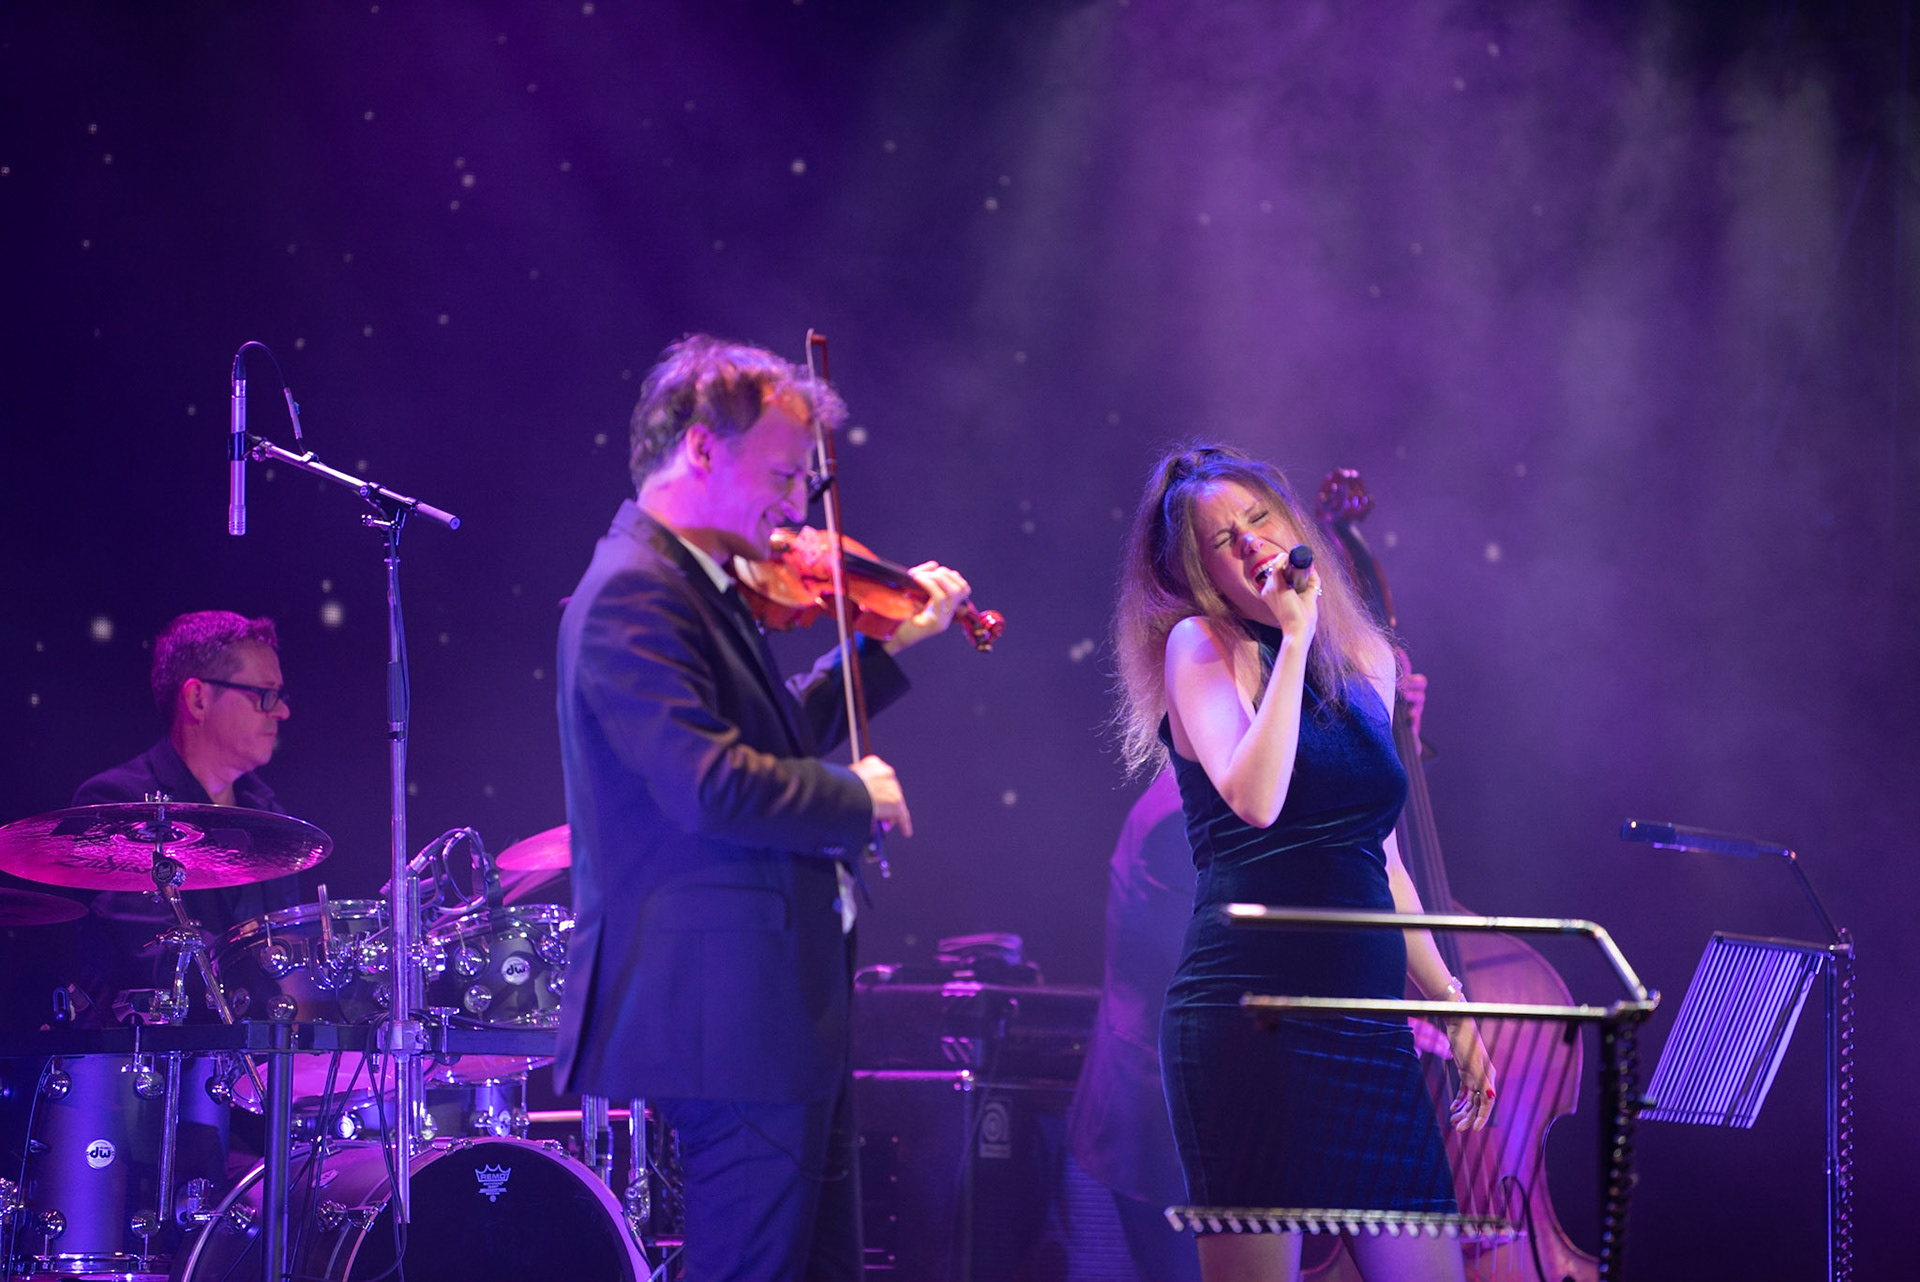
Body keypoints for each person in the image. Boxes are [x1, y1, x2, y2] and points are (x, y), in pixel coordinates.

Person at [554, 334, 971, 1281]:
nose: (796, 507)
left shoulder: (695, 583)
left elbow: (770, 732)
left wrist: (884, 646)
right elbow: (706, 782)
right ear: (702, 448)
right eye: (784, 475)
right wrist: (852, 795)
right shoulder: (632, 593)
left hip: (771, 1013)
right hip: (727, 1016)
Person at [1111, 443, 1494, 1282]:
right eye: (1223, 541)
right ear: (1200, 572)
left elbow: (1382, 861)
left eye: (1259, 519)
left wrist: (1450, 1003)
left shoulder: (1369, 663)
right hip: (1251, 1020)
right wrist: (1290, 641)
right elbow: (1257, 798)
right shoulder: (1199, 645)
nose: (1251, 543)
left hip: (1368, 1025)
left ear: (1293, 526)